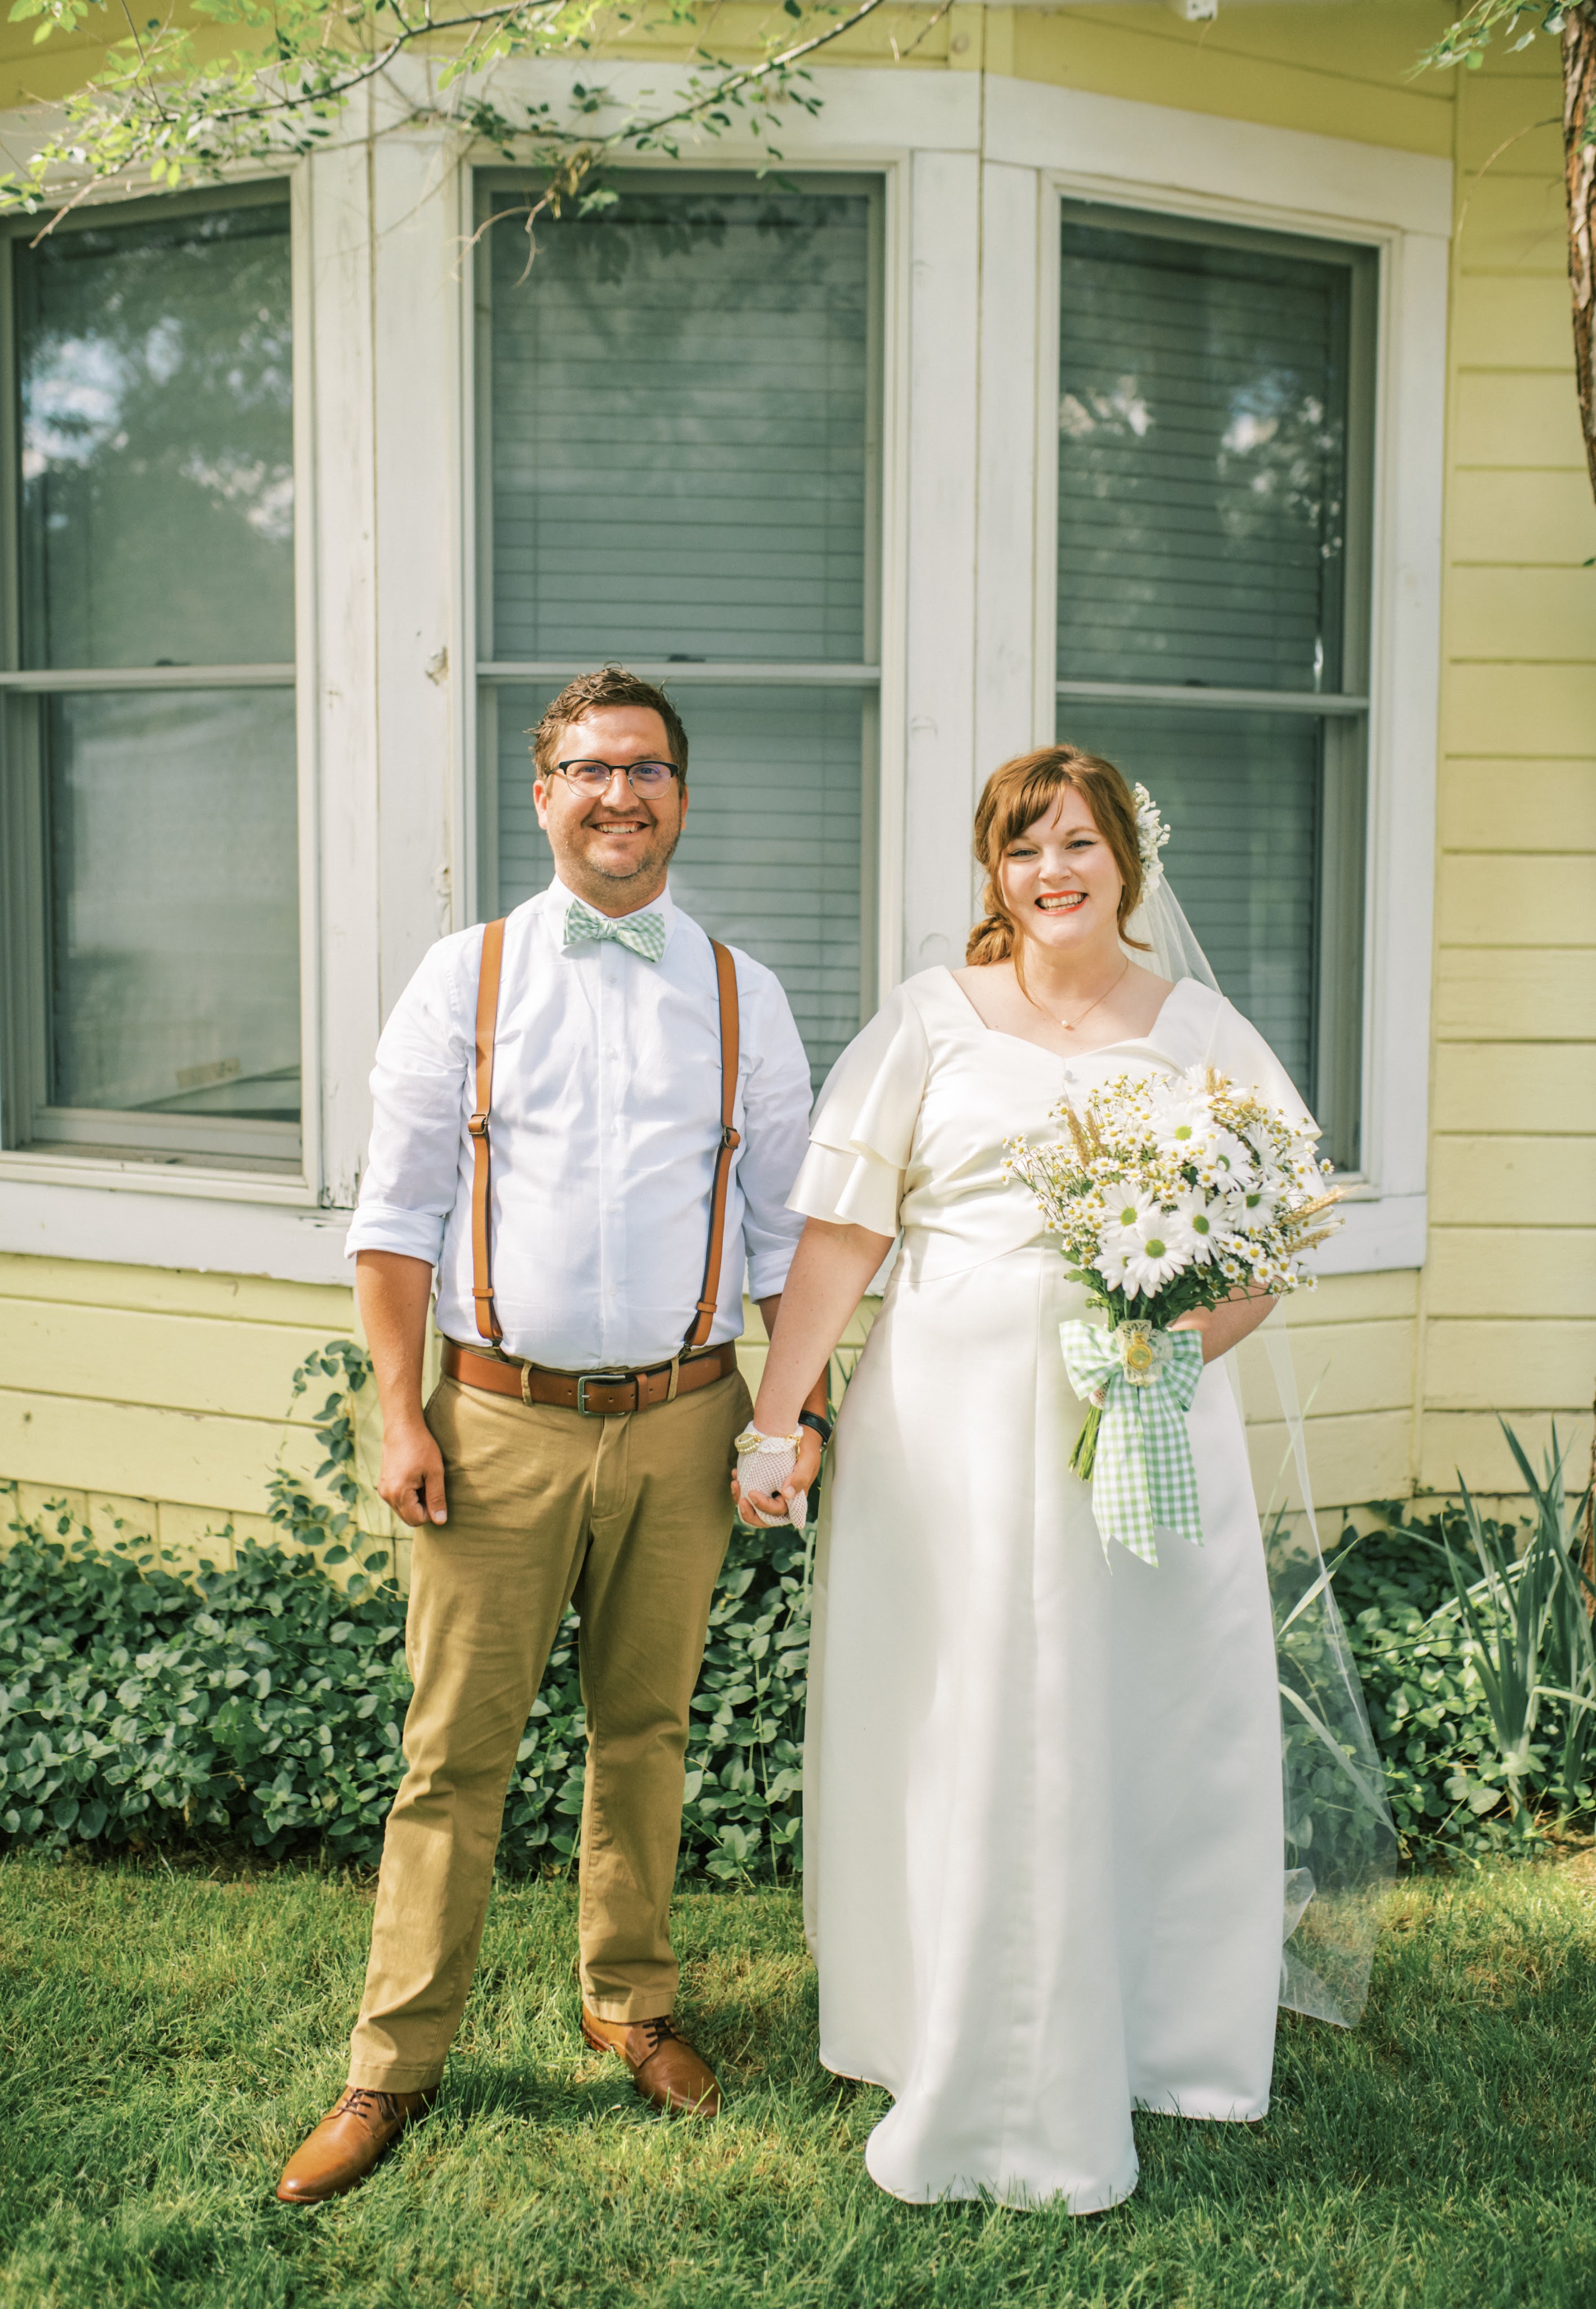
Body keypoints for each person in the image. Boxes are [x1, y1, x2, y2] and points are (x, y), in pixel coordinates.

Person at [735, 744, 1329, 2211]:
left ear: (1127, 856)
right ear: (993, 874)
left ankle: (1157, 2027)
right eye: (1021, 849)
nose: (1051, 873)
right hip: (943, 1422)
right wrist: (775, 1418)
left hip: (1141, 1424)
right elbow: (843, 1238)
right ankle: (923, 2015)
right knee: (950, 1704)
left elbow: (1270, 1243)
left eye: (1075, 843)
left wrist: (1168, 1347)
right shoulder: (929, 1020)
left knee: (1143, 1707)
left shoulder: (1202, 1032)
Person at [276, 665, 826, 2206]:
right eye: (590, 768)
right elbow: (395, 1218)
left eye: (645, 769)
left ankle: (629, 2003)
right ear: (545, 797)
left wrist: (792, 1416)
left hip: (684, 1419)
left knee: (645, 1733)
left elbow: (786, 1238)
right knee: (453, 1755)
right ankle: (392, 2065)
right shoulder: (465, 977)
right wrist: (400, 1414)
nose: (618, 795)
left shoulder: (743, 994)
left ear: (681, 798)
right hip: (497, 1423)